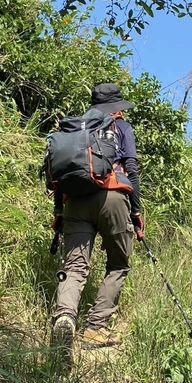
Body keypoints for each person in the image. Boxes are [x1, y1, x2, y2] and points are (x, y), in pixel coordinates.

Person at [50, 82, 143, 354]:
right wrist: (136, 212)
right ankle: (95, 328)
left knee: (75, 266)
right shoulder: (121, 127)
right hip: (113, 198)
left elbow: (61, 176)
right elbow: (132, 170)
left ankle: (65, 317)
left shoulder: (76, 128)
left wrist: (59, 212)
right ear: (117, 107)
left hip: (75, 202)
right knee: (118, 264)